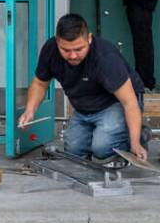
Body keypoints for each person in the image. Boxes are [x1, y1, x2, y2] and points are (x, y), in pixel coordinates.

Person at [18, 13, 148, 161]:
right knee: (74, 152)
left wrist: (135, 143)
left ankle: (139, 135)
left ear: (90, 39)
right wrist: (30, 110)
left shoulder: (105, 58)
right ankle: (102, 132)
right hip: (83, 107)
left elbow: (129, 103)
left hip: (114, 103)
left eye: (79, 49)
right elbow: (40, 83)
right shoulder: (50, 50)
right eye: (66, 50)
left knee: (103, 149)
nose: (73, 56)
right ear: (57, 41)